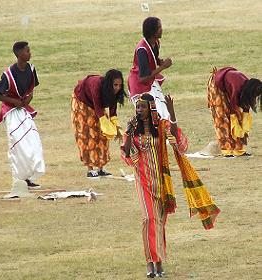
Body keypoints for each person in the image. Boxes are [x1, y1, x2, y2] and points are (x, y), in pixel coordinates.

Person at [121, 94, 220, 278]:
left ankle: (159, 262)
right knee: (149, 219)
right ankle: (150, 263)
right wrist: (128, 132)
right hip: (143, 181)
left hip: (162, 182)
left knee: (160, 223)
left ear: (151, 108)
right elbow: (126, 154)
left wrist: (172, 114)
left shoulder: (161, 125)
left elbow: (177, 140)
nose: (139, 110)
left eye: (142, 107)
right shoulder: (132, 128)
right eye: (137, 107)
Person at [0, 41, 45, 189]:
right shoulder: (9, 74)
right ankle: (18, 180)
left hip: (23, 109)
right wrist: (13, 101)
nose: (30, 53)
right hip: (11, 112)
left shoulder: (31, 69)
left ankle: (28, 177)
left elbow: (31, 89)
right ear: (19, 54)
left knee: (32, 142)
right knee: (18, 145)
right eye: (27, 51)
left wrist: (28, 99)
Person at [71, 69, 126, 178]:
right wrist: (105, 124)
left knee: (102, 135)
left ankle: (101, 167)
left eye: (119, 85)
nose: (117, 88)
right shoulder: (96, 85)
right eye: (115, 85)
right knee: (87, 134)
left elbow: (113, 110)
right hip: (82, 102)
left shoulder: (115, 91)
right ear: (109, 83)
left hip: (96, 106)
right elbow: (97, 106)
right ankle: (90, 168)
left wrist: (115, 126)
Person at [207, 67, 262, 157]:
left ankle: (239, 150)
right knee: (222, 117)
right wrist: (237, 125)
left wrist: (244, 129)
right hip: (216, 84)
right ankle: (226, 150)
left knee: (239, 117)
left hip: (227, 86)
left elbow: (245, 106)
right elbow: (233, 110)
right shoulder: (237, 87)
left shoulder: (247, 89)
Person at [128, 17, 173, 120]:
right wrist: (163, 66)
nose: (162, 29)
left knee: (164, 113)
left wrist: (158, 61)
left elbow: (152, 57)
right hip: (139, 86)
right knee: (150, 118)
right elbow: (143, 78)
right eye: (159, 27)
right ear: (153, 31)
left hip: (149, 82)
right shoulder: (142, 50)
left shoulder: (156, 42)